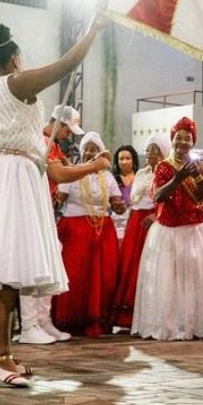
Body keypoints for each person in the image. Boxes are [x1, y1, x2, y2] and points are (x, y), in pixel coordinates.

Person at [0, 21, 111, 387]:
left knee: (6, 268)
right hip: (11, 174)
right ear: (13, 59)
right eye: (21, 58)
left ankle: (2, 352)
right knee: (3, 269)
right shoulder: (16, 82)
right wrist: (93, 31)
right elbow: (67, 64)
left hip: (9, 169)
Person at [131, 117, 203, 341]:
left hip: (197, 229)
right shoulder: (163, 167)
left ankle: (197, 325)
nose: (183, 142)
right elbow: (157, 196)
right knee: (169, 281)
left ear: (193, 142)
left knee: (197, 279)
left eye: (187, 138)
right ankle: (170, 325)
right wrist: (177, 179)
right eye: (179, 138)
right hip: (169, 230)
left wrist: (196, 176)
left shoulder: (201, 166)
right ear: (172, 140)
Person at [16, 104, 84, 345]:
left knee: (49, 261)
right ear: (59, 124)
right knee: (33, 265)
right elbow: (59, 176)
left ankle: (43, 320)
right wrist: (90, 167)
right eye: (67, 130)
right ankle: (29, 324)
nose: (68, 136)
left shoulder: (52, 145)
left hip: (46, 213)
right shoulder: (42, 142)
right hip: (32, 212)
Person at [52, 131, 125, 337]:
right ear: (80, 153)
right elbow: (59, 199)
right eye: (86, 150)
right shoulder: (72, 172)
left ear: (101, 153)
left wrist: (120, 206)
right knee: (76, 275)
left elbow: (116, 203)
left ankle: (98, 320)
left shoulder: (108, 176)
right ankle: (71, 321)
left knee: (103, 277)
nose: (90, 153)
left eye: (94, 150)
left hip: (103, 230)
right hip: (75, 230)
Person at [110, 132, 168, 330]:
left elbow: (169, 199)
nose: (150, 153)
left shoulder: (166, 172)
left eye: (154, 150)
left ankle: (150, 314)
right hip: (134, 221)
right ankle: (128, 315)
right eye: (148, 150)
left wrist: (157, 215)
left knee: (150, 266)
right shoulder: (142, 173)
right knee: (130, 265)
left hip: (152, 222)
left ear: (163, 152)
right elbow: (134, 200)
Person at [111, 144, 139, 239]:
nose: (124, 162)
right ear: (117, 162)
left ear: (133, 160)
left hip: (136, 219)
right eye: (121, 159)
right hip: (117, 220)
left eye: (128, 158)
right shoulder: (114, 179)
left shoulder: (140, 177)